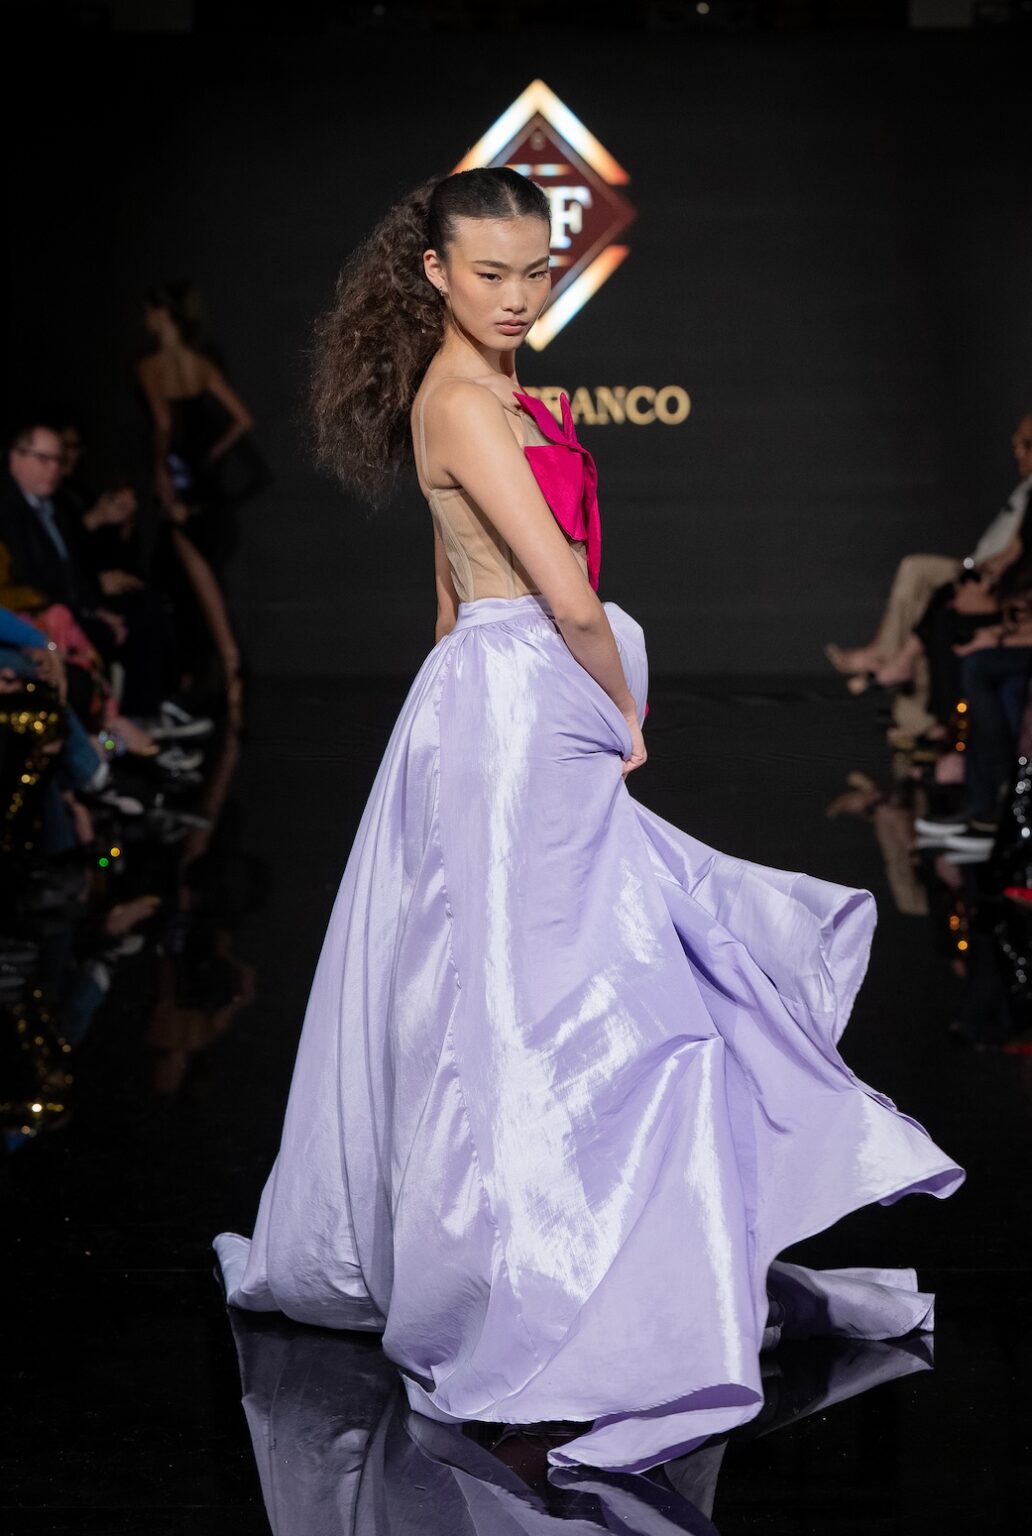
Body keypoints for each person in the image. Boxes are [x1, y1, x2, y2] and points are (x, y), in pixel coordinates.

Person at [214, 168, 963, 1474]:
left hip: (502, 709)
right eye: (487, 273)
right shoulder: (463, 400)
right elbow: (560, 592)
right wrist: (620, 710)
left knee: (552, 988)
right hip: (534, 705)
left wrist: (495, 698)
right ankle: (545, 1279)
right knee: (534, 1000)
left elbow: (450, 600)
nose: (515, 295)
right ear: (434, 272)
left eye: (533, 271)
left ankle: (585, 1252)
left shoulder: (488, 396)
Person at [825, 413, 1032, 685]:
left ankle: (889, 657)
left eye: (1025, 445)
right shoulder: (1025, 489)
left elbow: (1017, 552)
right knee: (924, 596)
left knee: (927, 585)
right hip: (984, 569)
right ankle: (901, 682)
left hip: (1002, 579)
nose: (1017, 452)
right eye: (1015, 443)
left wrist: (987, 576)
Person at [136, 281, 259, 724]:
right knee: (189, 580)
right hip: (206, 485)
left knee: (191, 581)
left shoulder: (151, 366)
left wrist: (161, 473)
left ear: (161, 314)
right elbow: (242, 420)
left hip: (181, 482)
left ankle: (225, 665)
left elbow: (164, 424)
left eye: (149, 312)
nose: (145, 321)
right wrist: (212, 455)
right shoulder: (201, 365)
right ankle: (201, 673)